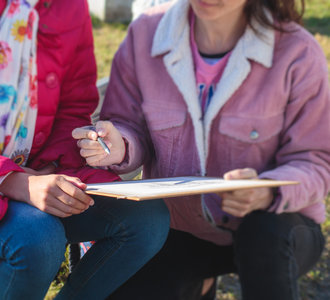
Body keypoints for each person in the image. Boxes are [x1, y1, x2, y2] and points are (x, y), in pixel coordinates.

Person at [0, 0, 171, 299]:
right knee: (38, 236)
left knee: (148, 219)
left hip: (41, 171)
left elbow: (72, 110)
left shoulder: (69, 7)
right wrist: (18, 182)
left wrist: (56, 164)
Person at [72, 0, 330, 298]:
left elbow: (316, 161)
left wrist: (268, 191)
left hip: (277, 228)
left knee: (263, 234)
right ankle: (195, 284)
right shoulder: (145, 34)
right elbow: (126, 124)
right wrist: (120, 145)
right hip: (179, 226)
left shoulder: (297, 51)